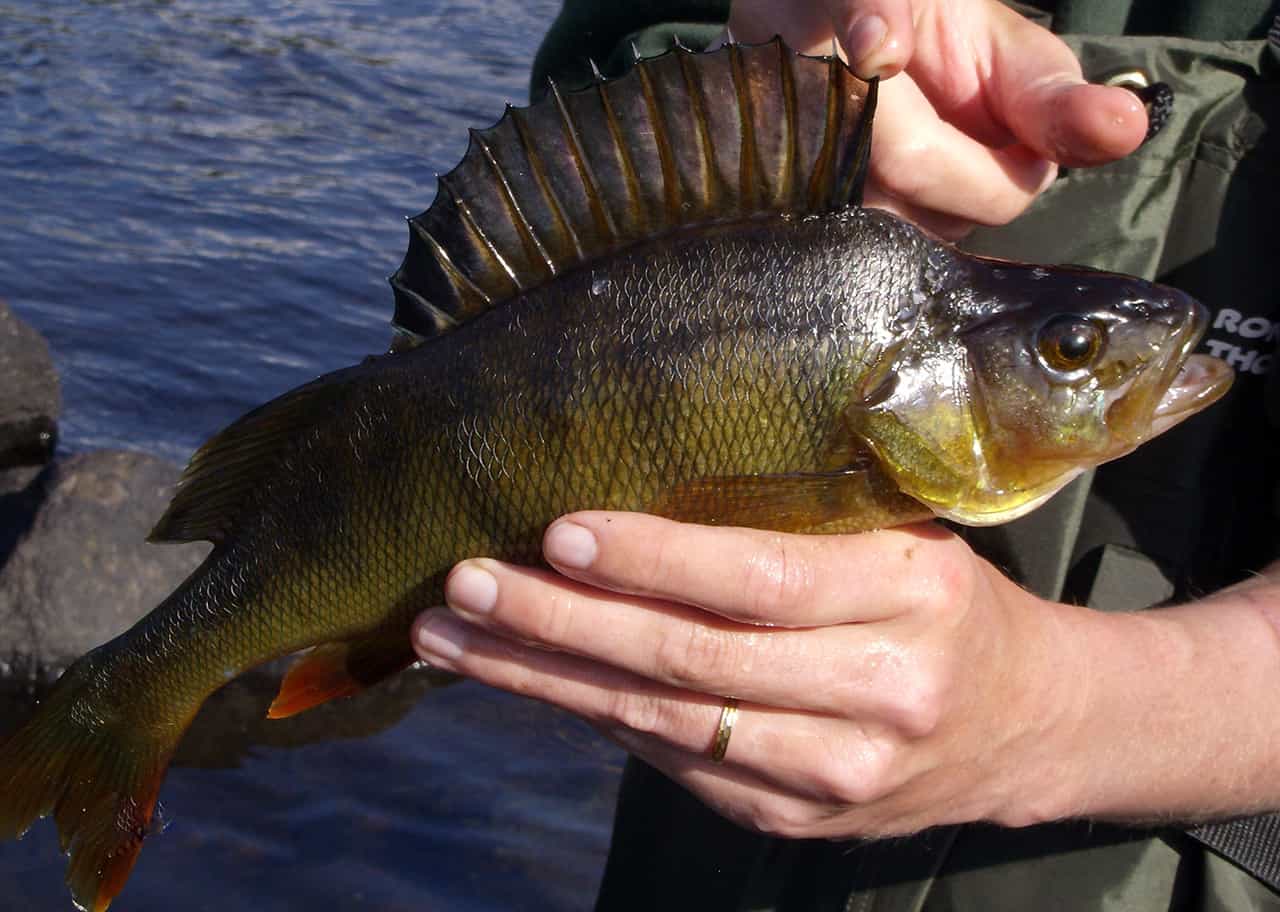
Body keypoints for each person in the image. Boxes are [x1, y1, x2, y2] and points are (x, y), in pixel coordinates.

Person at [412, 1, 1280, 908]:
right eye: (1071, 352)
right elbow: (622, 40)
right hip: (701, 837)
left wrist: (1054, 711)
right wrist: (758, 59)